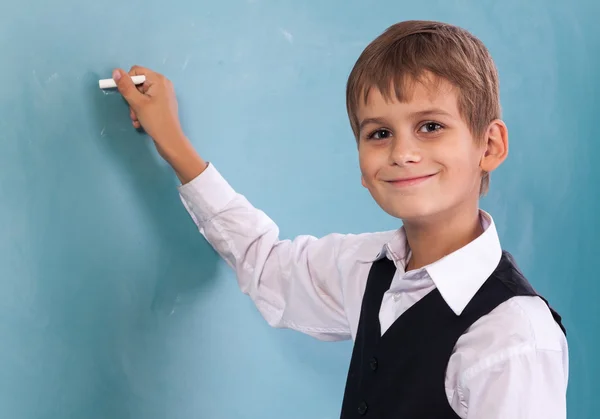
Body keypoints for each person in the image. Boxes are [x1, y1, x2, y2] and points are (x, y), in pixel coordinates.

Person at [111, 20, 568, 419]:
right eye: (379, 133)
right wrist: (171, 141)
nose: (402, 153)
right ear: (362, 166)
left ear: (489, 147)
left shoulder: (513, 334)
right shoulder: (370, 268)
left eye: (431, 126)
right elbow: (266, 263)